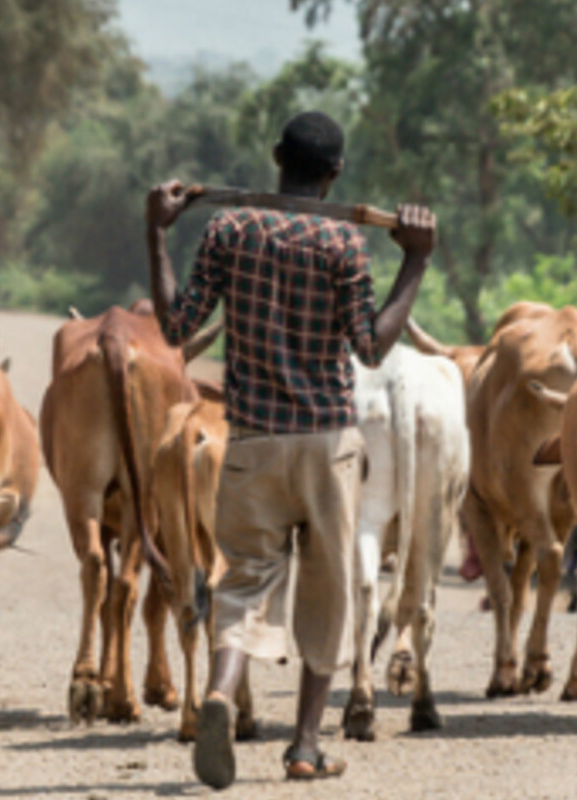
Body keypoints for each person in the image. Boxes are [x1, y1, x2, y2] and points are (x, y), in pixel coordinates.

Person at [146, 111, 435, 788]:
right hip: (327, 442)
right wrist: (416, 260)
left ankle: (220, 693)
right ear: (336, 173)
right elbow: (370, 345)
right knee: (328, 592)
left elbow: (176, 325)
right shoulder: (343, 244)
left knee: (243, 582)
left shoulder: (227, 229)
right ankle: (304, 747)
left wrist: (155, 235)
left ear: (276, 157)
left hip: (249, 441)